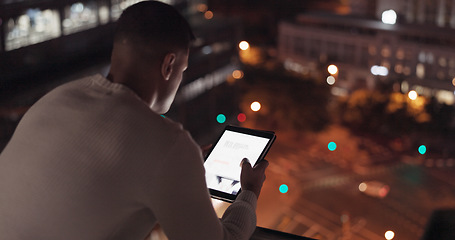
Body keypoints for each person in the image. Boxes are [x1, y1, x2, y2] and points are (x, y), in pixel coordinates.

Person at [0, 1, 269, 240]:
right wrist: (249, 193)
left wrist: (183, 168)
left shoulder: (57, 97)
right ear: (169, 65)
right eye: (183, 71)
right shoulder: (167, 144)